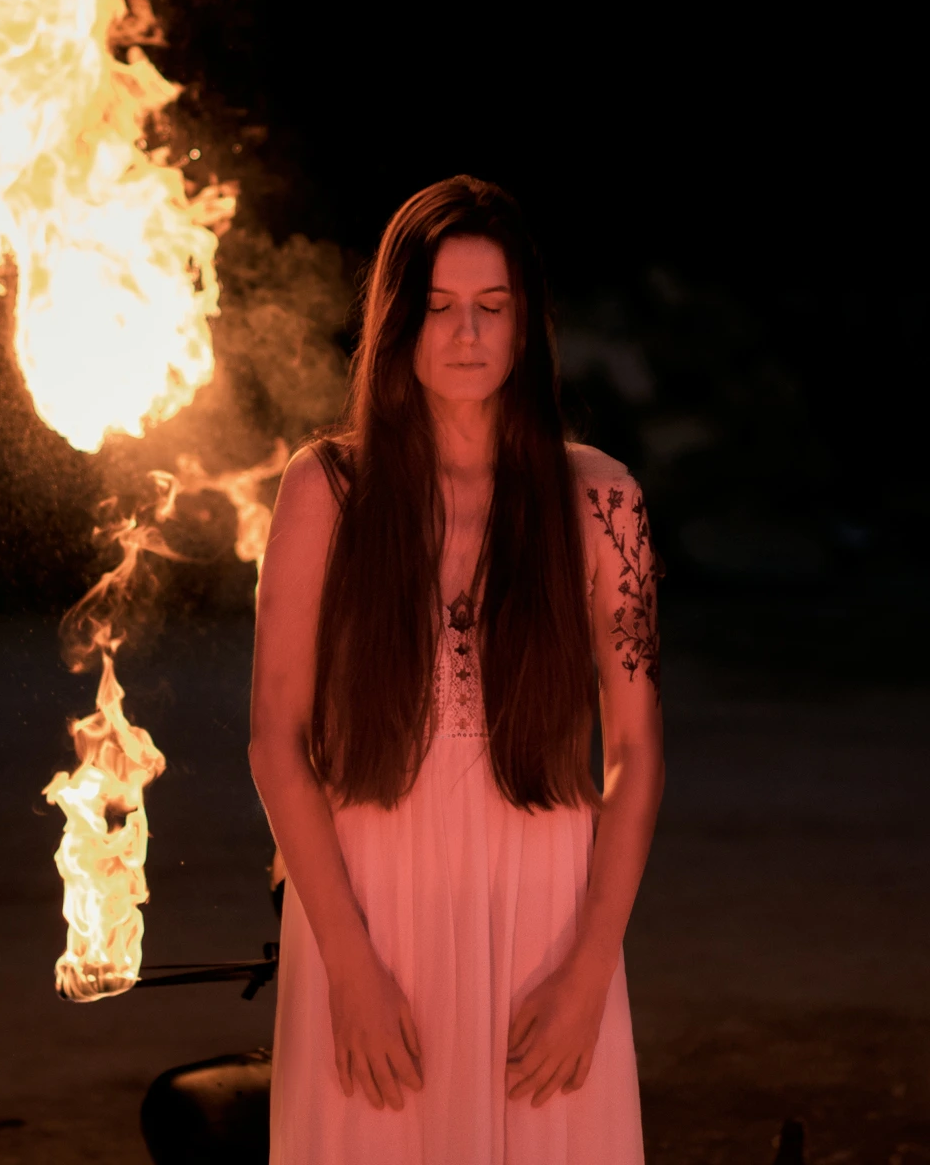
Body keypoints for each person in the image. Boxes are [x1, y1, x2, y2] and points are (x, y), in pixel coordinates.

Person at [251, 175, 663, 1163]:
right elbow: (276, 740)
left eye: (491, 308)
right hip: (371, 913)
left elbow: (638, 749)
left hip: (549, 918)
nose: (466, 334)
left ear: (529, 325)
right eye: (437, 308)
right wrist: (347, 970)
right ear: (397, 322)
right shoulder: (329, 490)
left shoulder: (602, 501)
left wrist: (589, 974)